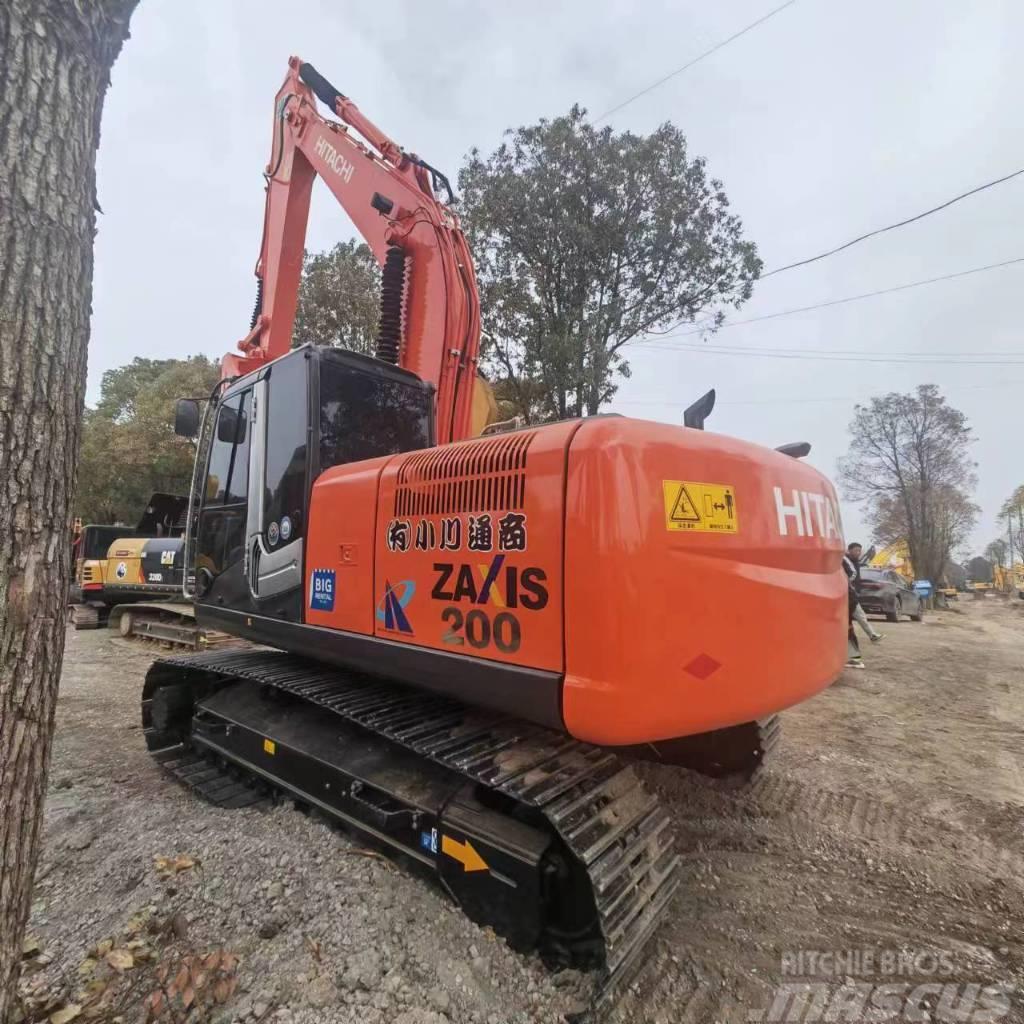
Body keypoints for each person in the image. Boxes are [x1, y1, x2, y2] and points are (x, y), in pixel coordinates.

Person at [843, 542, 884, 644]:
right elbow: (853, 575)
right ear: (849, 550)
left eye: (859, 551)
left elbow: (856, 577)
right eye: (856, 550)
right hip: (848, 593)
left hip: (852, 593)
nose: (858, 552)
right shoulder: (845, 560)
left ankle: (871, 636)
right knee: (859, 616)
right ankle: (872, 635)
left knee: (856, 618)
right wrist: (850, 584)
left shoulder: (856, 561)